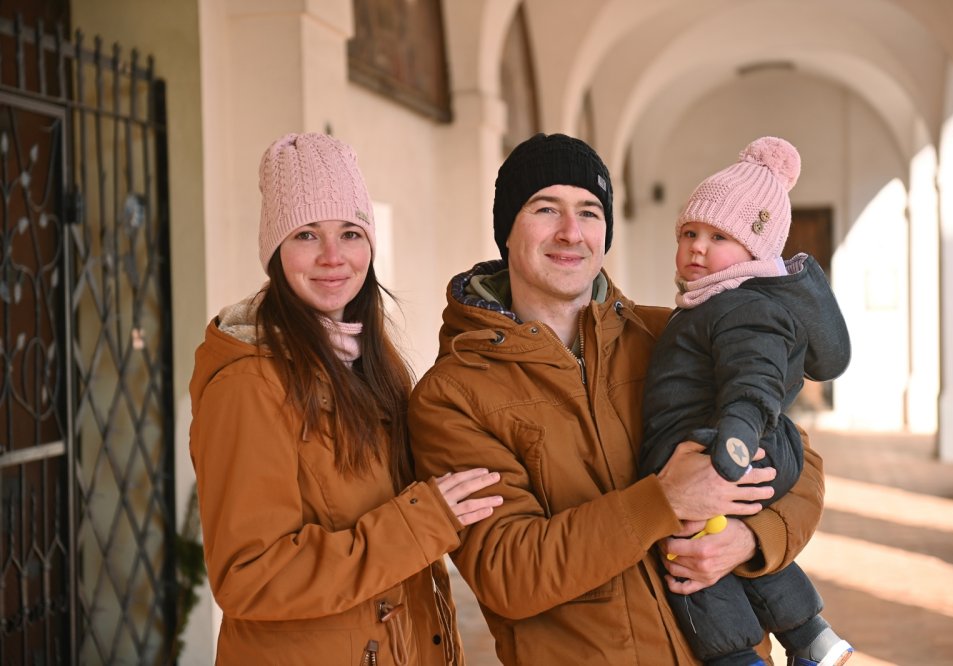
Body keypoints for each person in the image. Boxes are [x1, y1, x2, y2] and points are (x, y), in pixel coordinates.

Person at [408, 132, 826, 664]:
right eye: (545, 208)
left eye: (589, 211)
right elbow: (507, 571)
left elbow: (800, 463)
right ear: (507, 231)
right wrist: (664, 501)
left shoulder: (670, 337)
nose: (570, 232)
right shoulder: (453, 395)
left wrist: (752, 537)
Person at [188, 132, 503, 665]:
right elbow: (249, 576)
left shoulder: (370, 361)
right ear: (275, 251)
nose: (333, 257)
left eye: (350, 233)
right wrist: (421, 522)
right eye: (307, 234)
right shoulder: (248, 383)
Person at [638, 137, 853, 666]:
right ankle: (812, 638)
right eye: (689, 233)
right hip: (741, 444)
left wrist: (732, 441)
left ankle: (737, 658)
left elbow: (752, 379)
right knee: (724, 545)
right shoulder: (713, 305)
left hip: (731, 447)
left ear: (756, 252)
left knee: (687, 558)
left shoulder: (740, 307)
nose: (697, 247)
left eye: (719, 236)